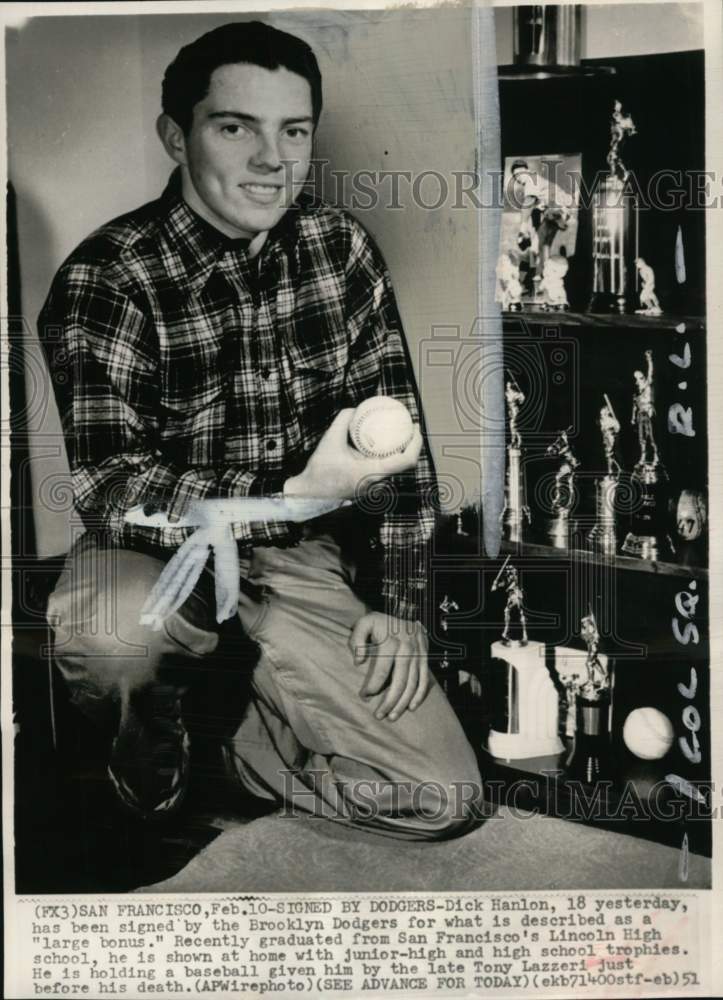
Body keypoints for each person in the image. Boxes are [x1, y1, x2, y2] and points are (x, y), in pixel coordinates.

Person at [39, 21, 482, 839]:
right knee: (112, 638)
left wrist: (401, 604)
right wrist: (287, 495)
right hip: (154, 557)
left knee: (441, 797)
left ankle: (236, 753)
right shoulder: (109, 275)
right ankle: (149, 741)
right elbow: (112, 487)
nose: (272, 159)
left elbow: (400, 455)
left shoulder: (340, 250)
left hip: (295, 561)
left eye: (294, 131)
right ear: (176, 136)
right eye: (236, 127)